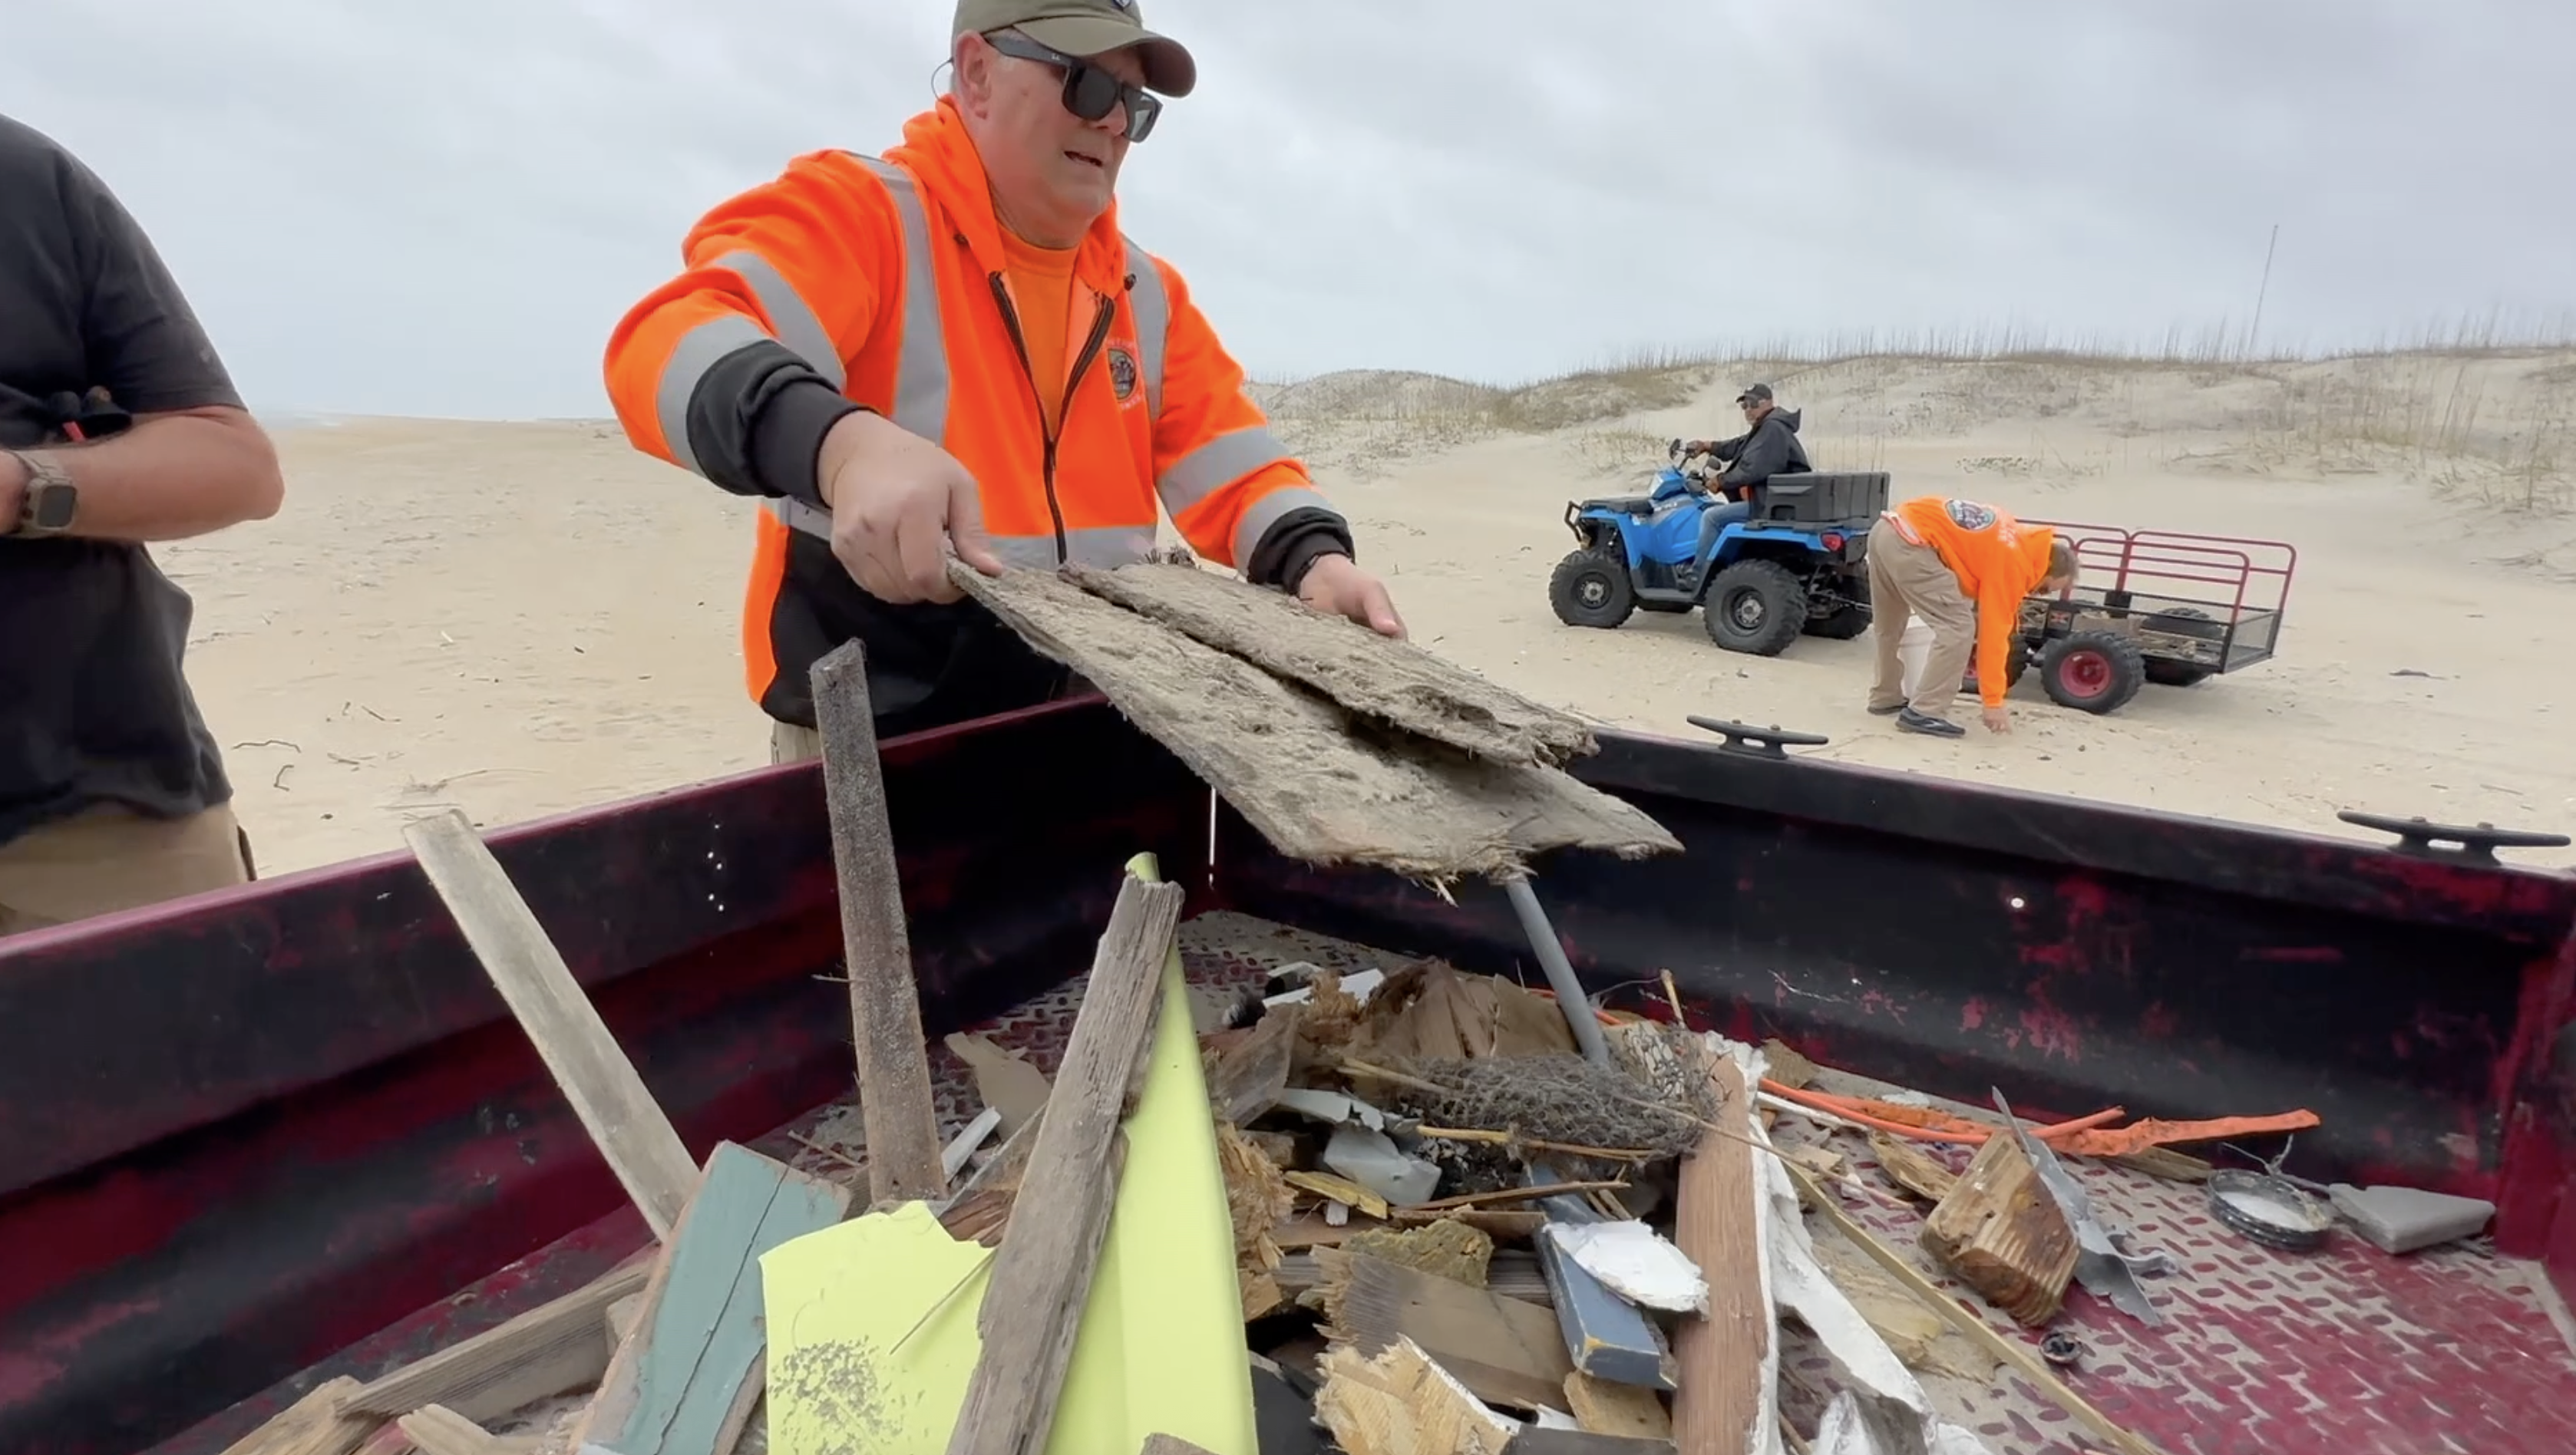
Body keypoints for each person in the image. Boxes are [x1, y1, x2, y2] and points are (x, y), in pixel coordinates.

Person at [603, 0, 1405, 761]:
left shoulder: (1144, 294)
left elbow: (1231, 456)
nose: (1114, 121)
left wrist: (1313, 561)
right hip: (877, 749)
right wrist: (839, 449)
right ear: (977, 72)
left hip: (1085, 728)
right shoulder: (866, 218)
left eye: (1135, 102)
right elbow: (664, 341)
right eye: (1086, 82)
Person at [0, 113, 286, 937]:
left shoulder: (27, 182)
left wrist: (22, 485)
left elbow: (237, 466)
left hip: (100, 807)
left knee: (207, 1059)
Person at [1863, 496, 2078, 739]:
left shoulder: (2015, 537)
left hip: (1887, 528)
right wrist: (1993, 703)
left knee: (1889, 623)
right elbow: (1993, 638)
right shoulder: (2015, 566)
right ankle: (1925, 711)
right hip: (1914, 544)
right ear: (2045, 566)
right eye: (2043, 589)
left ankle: (1885, 696)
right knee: (1958, 629)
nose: (2033, 593)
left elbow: (1965, 547)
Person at [1681, 383, 1810, 579]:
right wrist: (1707, 446)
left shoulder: (1772, 428)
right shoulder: (1766, 427)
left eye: (1752, 404)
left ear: (1768, 402)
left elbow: (1752, 470)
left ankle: (1698, 575)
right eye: (1744, 406)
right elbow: (1738, 446)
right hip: (1775, 501)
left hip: (1767, 505)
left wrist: (1720, 481)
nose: (1748, 410)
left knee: (1711, 517)